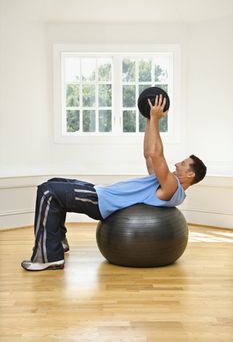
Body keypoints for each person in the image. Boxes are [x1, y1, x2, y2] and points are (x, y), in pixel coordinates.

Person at [21, 95, 207, 271]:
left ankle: (48, 257)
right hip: (101, 193)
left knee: (48, 191)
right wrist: (148, 118)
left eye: (182, 164)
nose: (176, 163)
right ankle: (56, 241)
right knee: (55, 182)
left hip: (101, 202)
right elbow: (148, 156)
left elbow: (155, 153)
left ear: (190, 174)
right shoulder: (167, 183)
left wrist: (156, 119)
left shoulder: (172, 187)